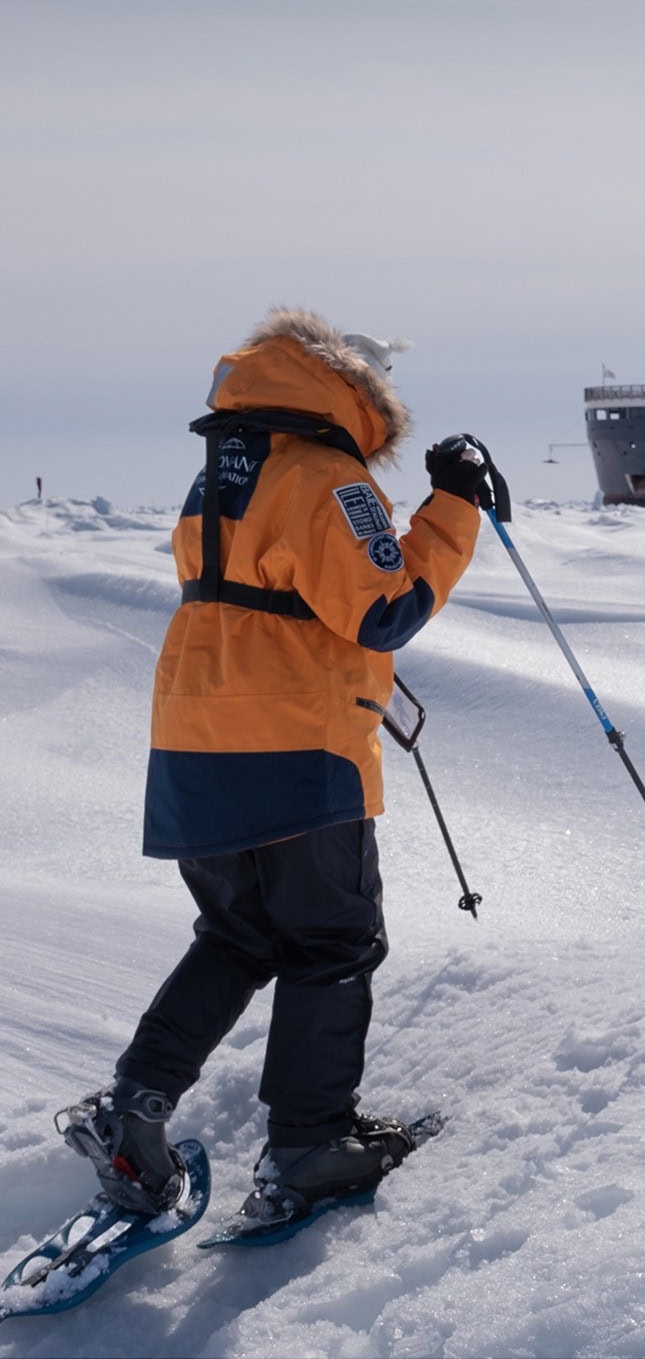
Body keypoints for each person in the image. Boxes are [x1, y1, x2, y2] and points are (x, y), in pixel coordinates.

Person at [59, 308, 493, 1231]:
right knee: (331, 945)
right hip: (297, 746)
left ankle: (134, 1103)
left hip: (195, 739)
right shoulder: (328, 478)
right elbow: (384, 611)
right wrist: (453, 505)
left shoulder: (221, 476)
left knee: (240, 935)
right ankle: (310, 1142)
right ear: (354, 396)